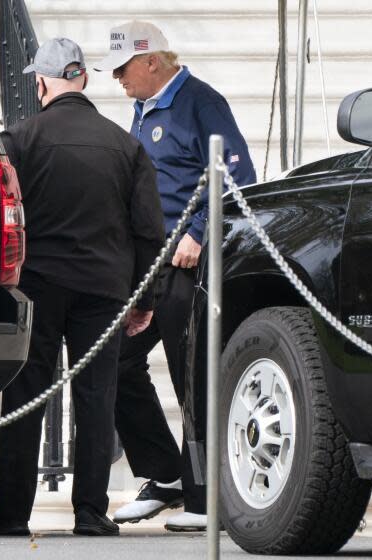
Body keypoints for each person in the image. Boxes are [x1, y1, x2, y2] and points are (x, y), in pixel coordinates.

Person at [0, 38, 164, 537]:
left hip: (36, 286)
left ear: (41, 83)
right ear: (82, 78)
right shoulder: (126, 144)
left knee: (25, 395)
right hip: (104, 288)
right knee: (97, 400)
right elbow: (148, 229)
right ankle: (92, 514)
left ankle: (12, 514)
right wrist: (144, 299)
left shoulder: (20, 137)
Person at [94, 20, 257, 532]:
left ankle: (206, 496)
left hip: (189, 262)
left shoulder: (200, 102)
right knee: (113, 362)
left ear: (151, 62)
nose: (118, 78)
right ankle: (165, 476)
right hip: (148, 263)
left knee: (193, 376)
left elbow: (238, 176)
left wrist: (201, 232)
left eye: (123, 68)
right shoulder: (142, 108)